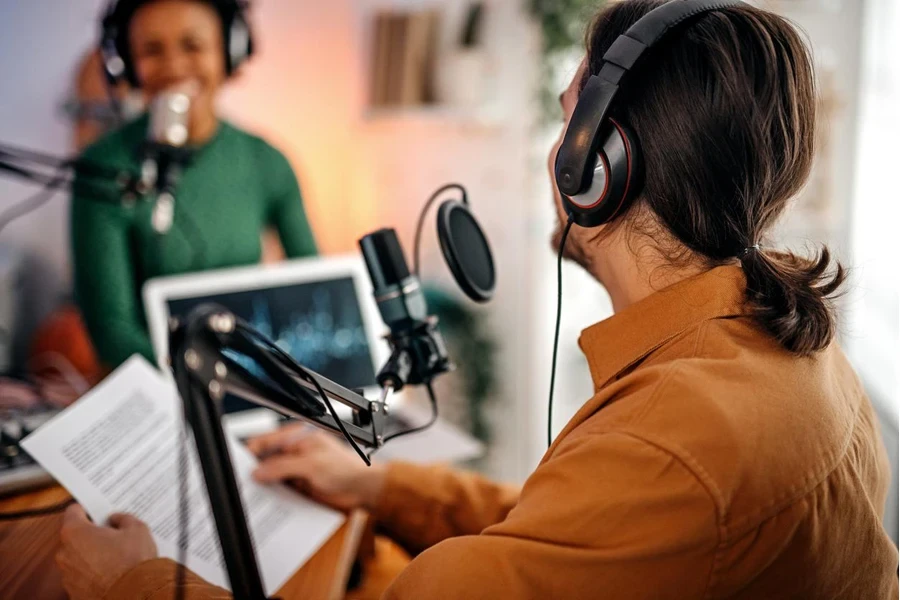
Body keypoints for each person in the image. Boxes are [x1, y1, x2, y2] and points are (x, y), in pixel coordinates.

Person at [56, 1, 898, 598]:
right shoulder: (776, 339)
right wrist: (385, 493)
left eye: (568, 123)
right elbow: (576, 531)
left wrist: (127, 586)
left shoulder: (679, 443)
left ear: (595, 171)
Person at [71, 0, 317, 370]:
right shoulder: (102, 166)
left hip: (252, 384)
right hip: (157, 386)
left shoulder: (267, 161)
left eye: (193, 46)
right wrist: (205, 383)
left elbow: (315, 286)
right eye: (152, 50)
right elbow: (111, 330)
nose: (173, 66)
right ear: (127, 63)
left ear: (229, 52)